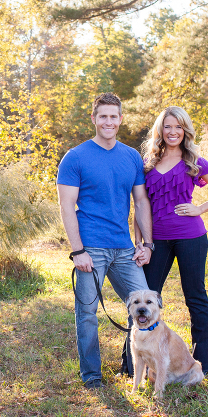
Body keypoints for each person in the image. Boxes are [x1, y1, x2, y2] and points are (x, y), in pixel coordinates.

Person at [57, 92, 154, 389]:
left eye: (114, 116)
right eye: (103, 116)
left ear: (121, 119)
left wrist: (147, 244)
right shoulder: (75, 157)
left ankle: (135, 367)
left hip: (124, 248)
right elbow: (66, 206)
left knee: (145, 307)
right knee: (87, 313)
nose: (108, 121)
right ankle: (92, 377)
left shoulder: (131, 157)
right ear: (94, 119)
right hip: (90, 249)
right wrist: (78, 251)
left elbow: (140, 200)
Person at [133, 106, 208, 374]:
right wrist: (141, 243)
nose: (173, 131)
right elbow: (140, 206)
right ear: (160, 130)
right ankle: (133, 365)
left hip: (191, 237)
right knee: (145, 296)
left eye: (178, 126)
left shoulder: (194, 162)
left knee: (195, 298)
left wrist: (200, 209)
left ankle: (204, 365)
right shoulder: (148, 165)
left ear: (185, 130)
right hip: (158, 242)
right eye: (167, 126)